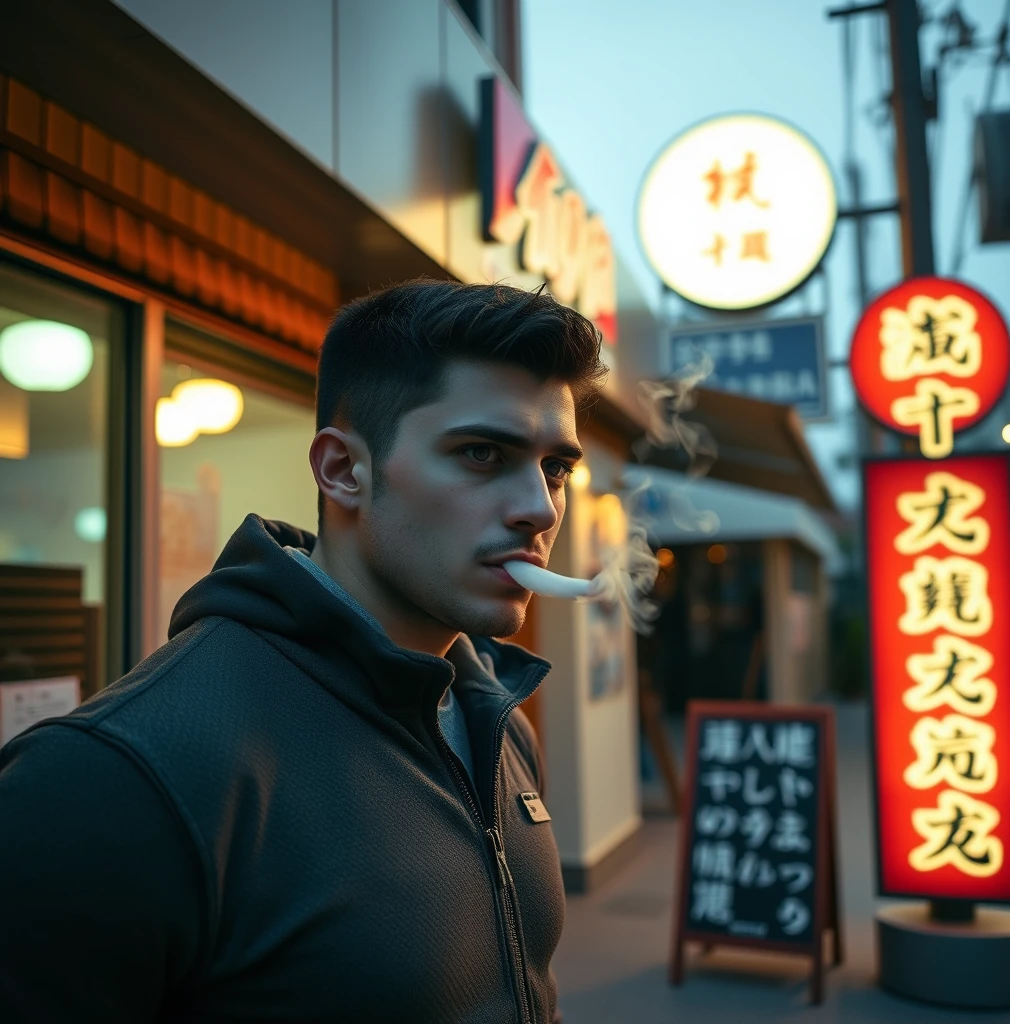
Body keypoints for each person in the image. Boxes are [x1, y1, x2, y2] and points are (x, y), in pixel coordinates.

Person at [0, 281, 608, 1023]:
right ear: (343, 471)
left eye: (556, 469)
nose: (540, 508)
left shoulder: (496, 720)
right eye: (483, 453)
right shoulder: (120, 775)